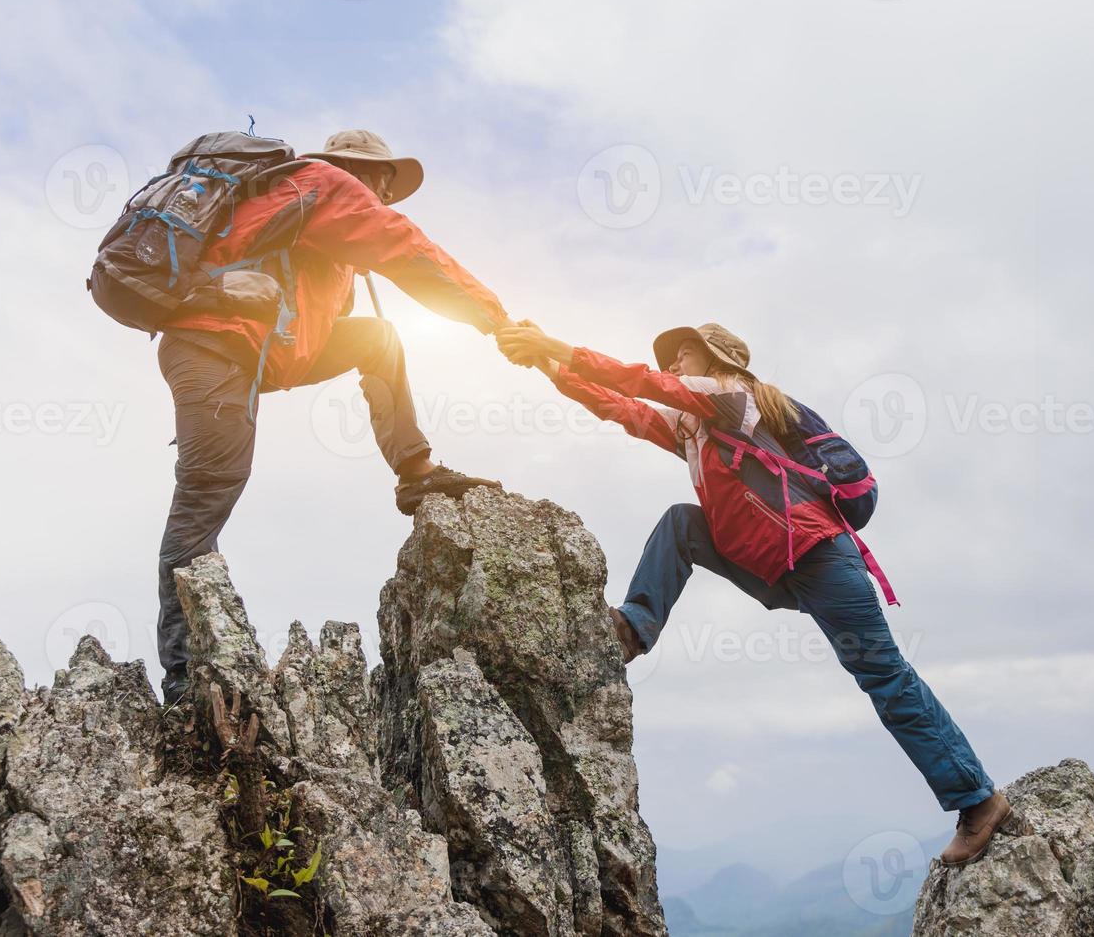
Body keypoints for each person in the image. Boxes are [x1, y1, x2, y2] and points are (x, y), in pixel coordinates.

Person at [493, 320, 1011, 867]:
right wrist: (548, 366)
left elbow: (642, 383)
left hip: (820, 557)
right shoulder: (694, 427)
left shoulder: (734, 397)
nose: (673, 366)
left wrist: (554, 345)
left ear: (717, 359)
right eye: (670, 359)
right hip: (771, 566)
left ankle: (978, 800)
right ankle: (633, 628)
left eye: (684, 354)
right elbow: (625, 407)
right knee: (681, 524)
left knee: (884, 677)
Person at [155, 129, 507, 705]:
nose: (384, 192)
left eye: (388, 183)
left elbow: (318, 311)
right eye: (379, 177)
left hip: (256, 351)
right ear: (347, 169)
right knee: (206, 497)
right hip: (212, 347)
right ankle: (183, 671)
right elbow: (408, 249)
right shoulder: (323, 186)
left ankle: (415, 471)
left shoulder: (313, 217)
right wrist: (493, 315)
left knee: (377, 339)